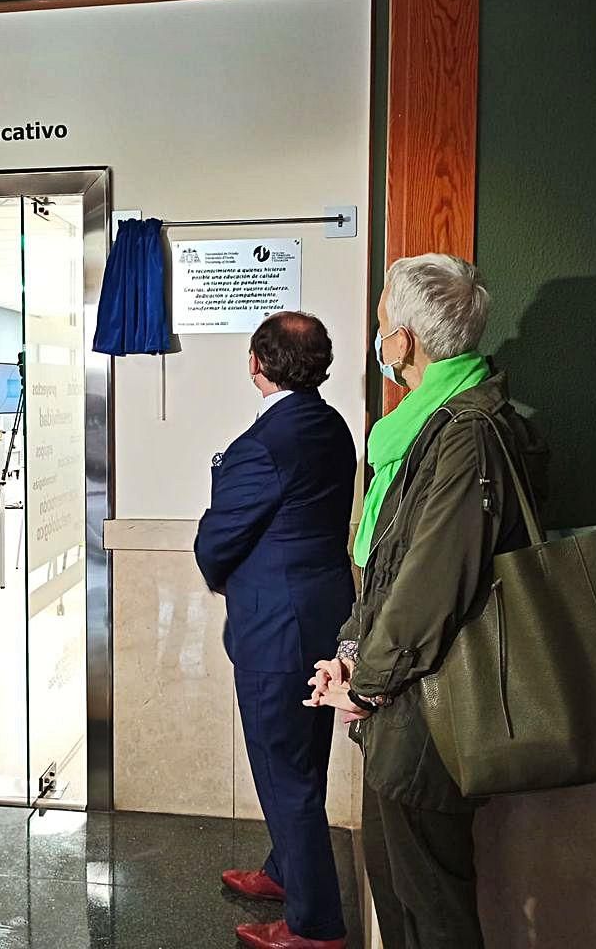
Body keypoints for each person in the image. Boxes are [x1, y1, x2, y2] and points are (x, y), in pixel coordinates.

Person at [307, 254, 547, 949]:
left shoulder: (465, 433)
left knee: (430, 911)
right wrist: (352, 657)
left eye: (383, 326)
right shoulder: (426, 429)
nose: (379, 341)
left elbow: (431, 585)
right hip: (401, 701)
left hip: (426, 713)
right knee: (401, 889)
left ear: (404, 342)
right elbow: (386, 569)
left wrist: (368, 683)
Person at [195, 311, 356, 949]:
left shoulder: (261, 444)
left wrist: (210, 561)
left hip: (276, 627)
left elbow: (218, 540)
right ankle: (284, 870)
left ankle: (315, 924)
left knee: (281, 768)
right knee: (304, 758)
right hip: (324, 615)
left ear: (256, 365)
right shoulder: (332, 425)